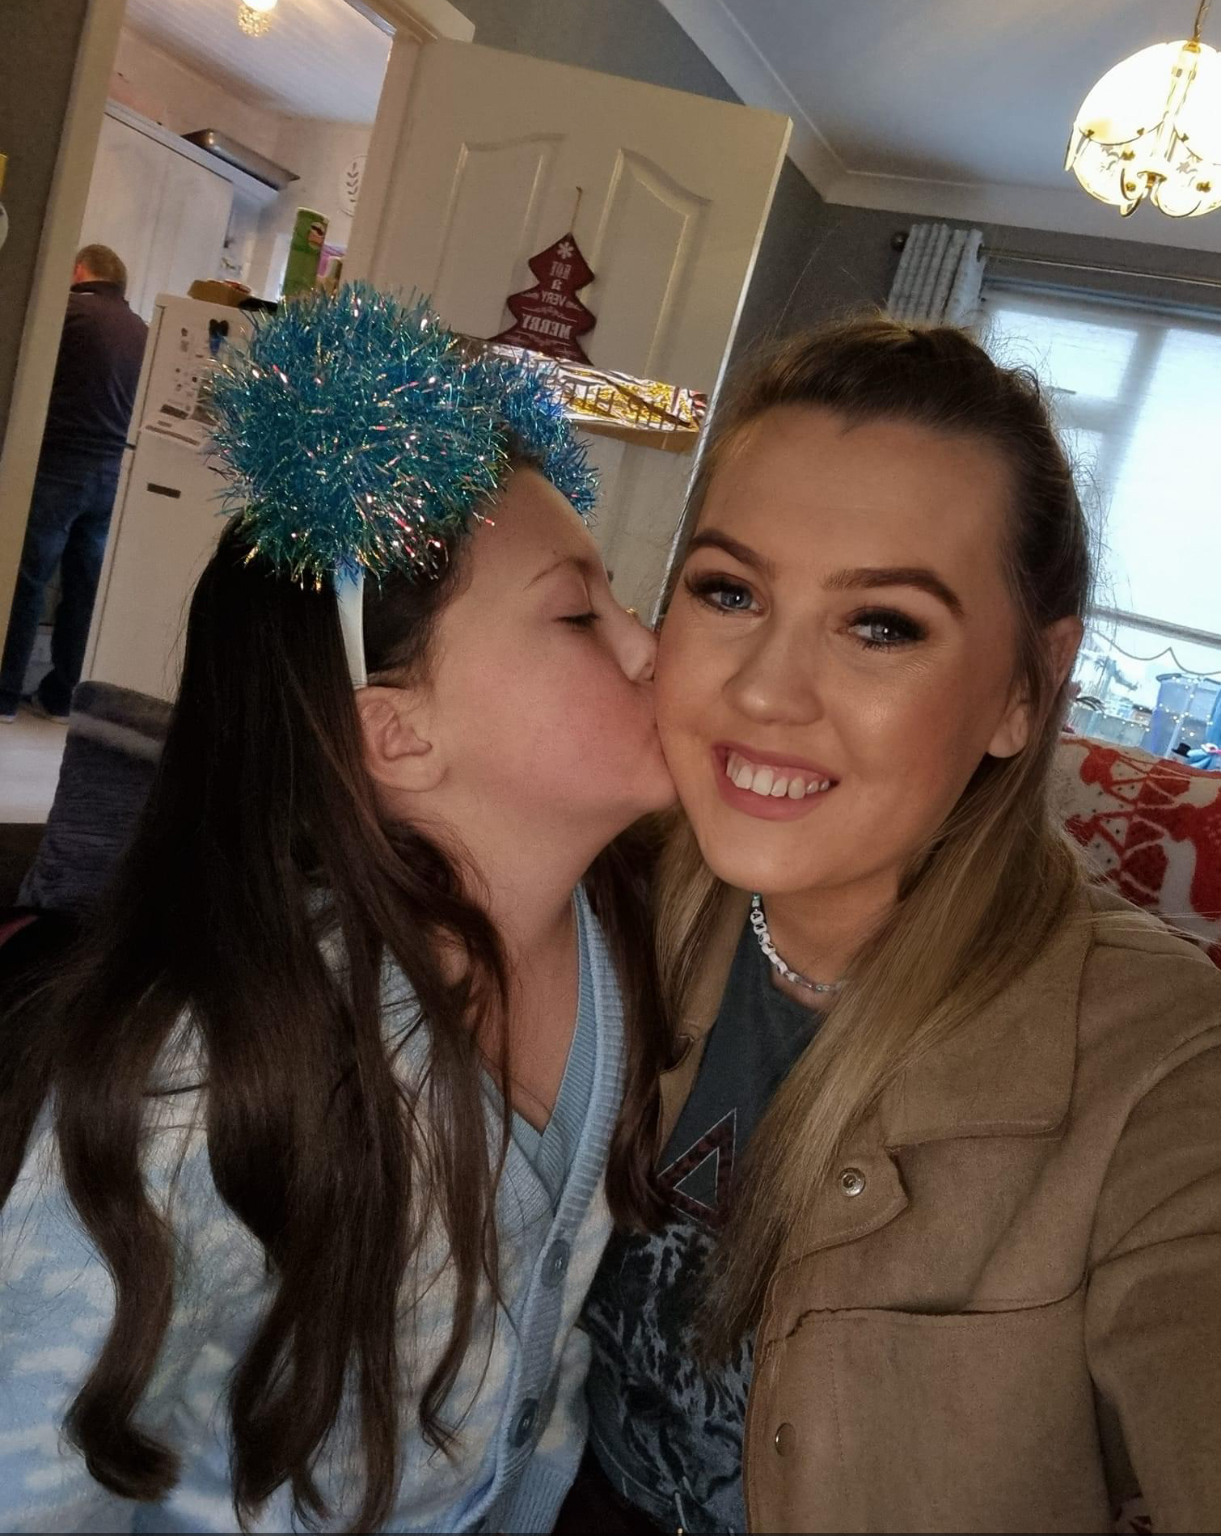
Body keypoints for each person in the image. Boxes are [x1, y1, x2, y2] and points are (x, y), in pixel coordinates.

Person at [0, 288, 673, 1533]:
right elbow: (30, 1468)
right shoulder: (208, 1077)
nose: (651, 647)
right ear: (397, 733)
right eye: (581, 614)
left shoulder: (626, 935)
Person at [574, 318, 1221, 1534]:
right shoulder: (605, 891)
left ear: (1026, 688)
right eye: (729, 592)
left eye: (883, 625)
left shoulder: (1162, 1065)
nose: (763, 691)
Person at [0, 243, 147, 723]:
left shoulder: (66, 312)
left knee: (28, 580)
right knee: (83, 591)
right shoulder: (143, 330)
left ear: (79, 270)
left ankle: (4, 694)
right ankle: (62, 697)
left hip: (59, 465)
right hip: (112, 474)